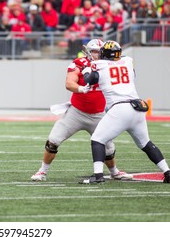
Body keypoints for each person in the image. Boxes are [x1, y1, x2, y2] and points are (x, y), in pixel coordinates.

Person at [31, 39, 131, 181]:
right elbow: (69, 82)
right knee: (53, 140)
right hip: (76, 112)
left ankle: (114, 172)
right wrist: (80, 88)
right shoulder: (80, 63)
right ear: (88, 52)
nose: (97, 54)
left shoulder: (109, 64)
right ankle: (42, 171)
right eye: (95, 51)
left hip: (99, 114)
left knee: (108, 148)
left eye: (99, 51)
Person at [81, 40, 170, 184]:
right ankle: (167, 171)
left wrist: (86, 70)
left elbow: (89, 79)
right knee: (145, 143)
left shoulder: (101, 66)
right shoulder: (127, 64)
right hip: (137, 108)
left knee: (97, 140)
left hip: (120, 109)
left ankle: (97, 176)